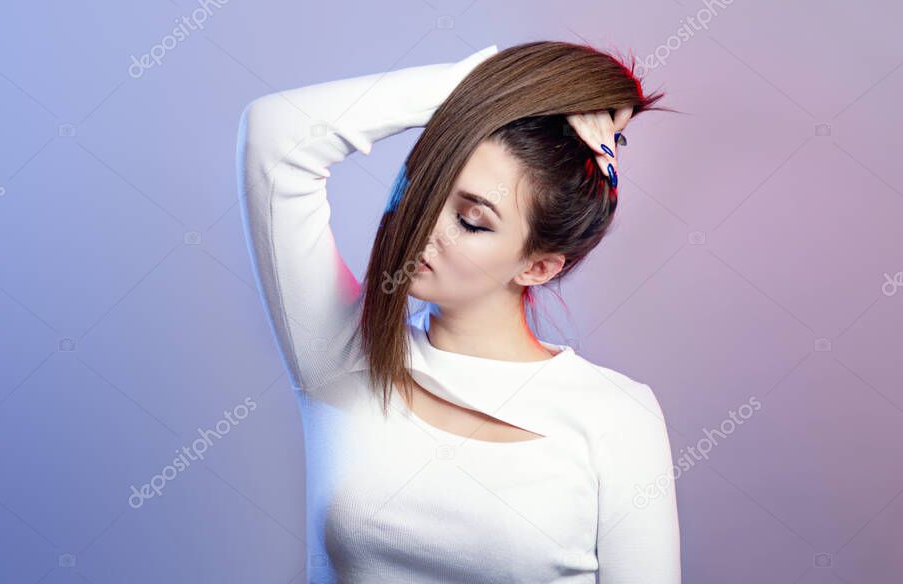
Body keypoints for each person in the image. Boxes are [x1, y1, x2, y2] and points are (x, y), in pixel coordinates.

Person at [236, 41, 680, 583]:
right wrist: (483, 89)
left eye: (471, 220)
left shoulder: (617, 416)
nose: (423, 227)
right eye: (426, 189)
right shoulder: (346, 356)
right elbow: (275, 137)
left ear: (537, 267)